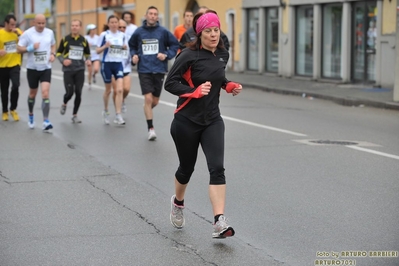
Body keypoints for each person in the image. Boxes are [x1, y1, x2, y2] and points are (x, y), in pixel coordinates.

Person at [164, 10, 242, 238]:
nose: (213, 35)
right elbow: (170, 83)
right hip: (186, 121)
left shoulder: (222, 54)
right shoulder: (188, 55)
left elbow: (218, 77)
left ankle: (219, 222)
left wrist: (228, 86)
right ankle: (178, 203)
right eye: (208, 31)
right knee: (186, 169)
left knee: (217, 168)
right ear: (200, 34)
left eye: (216, 30)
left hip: (212, 120)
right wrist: (194, 92)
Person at [129, 5, 179, 140]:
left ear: (157, 17)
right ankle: (151, 129)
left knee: (155, 100)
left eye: (155, 14)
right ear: (146, 16)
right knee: (148, 98)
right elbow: (132, 46)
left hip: (159, 69)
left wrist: (166, 55)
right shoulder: (139, 32)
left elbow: (175, 45)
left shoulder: (163, 32)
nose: (152, 16)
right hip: (144, 69)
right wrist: (134, 55)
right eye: (150, 13)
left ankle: (147, 108)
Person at [17, 13, 56, 131]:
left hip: (46, 67)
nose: (41, 25)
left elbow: (53, 45)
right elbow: (18, 49)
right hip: (32, 68)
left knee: (45, 93)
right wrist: (30, 48)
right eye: (38, 23)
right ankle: (31, 115)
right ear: (34, 22)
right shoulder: (28, 33)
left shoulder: (49, 32)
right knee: (32, 94)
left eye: (43, 23)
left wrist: (52, 54)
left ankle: (46, 120)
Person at [56, 19, 91, 123]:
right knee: (70, 92)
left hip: (80, 69)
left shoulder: (84, 40)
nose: (74, 27)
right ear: (70, 27)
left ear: (80, 27)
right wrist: (63, 61)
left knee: (78, 92)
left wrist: (88, 60)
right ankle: (64, 103)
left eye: (76, 26)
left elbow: (87, 54)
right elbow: (58, 53)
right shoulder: (65, 39)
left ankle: (74, 115)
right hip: (68, 70)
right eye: (72, 25)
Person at [96, 15, 128, 125]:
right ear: (108, 24)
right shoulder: (104, 35)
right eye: (112, 22)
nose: (114, 24)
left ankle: (118, 115)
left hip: (118, 64)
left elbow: (125, 48)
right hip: (107, 64)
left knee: (119, 90)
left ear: (118, 24)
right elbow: (97, 51)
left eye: (116, 22)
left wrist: (124, 47)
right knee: (108, 90)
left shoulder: (122, 35)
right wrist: (105, 46)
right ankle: (105, 110)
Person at [0, 14, 22, 121]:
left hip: (15, 64)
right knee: (4, 89)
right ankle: (5, 111)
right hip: (2, 66)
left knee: (16, 85)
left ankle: (13, 109)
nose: (13, 27)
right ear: (6, 24)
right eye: (11, 25)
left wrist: (18, 34)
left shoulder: (17, 32)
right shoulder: (0, 33)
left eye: (15, 24)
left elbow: (26, 42)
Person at [111, 19, 131, 114]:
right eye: (120, 27)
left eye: (124, 27)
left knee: (126, 89)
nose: (122, 29)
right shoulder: (111, 37)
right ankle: (117, 112)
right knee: (117, 90)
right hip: (114, 67)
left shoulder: (129, 38)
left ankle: (121, 100)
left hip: (126, 67)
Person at [85, 24, 100, 89]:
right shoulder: (85, 38)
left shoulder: (98, 37)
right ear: (89, 30)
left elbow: (100, 45)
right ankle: (89, 83)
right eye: (92, 30)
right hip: (88, 56)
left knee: (96, 69)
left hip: (96, 56)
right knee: (90, 71)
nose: (93, 31)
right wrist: (87, 45)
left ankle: (94, 75)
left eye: (94, 29)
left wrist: (98, 47)